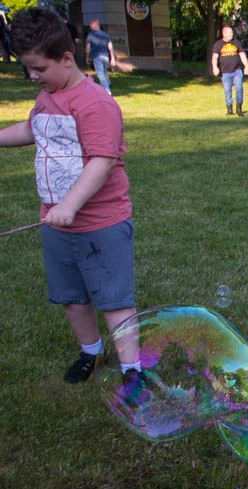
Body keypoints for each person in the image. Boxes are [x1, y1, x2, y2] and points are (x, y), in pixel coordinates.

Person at [0, 7, 140, 385]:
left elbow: (102, 160)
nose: (32, 76)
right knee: (72, 296)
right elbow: (34, 128)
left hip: (101, 223)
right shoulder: (48, 96)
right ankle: (90, 352)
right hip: (56, 222)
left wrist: (71, 205)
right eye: (27, 69)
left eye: (38, 68)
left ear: (66, 58)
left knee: (114, 300)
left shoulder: (94, 102)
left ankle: (132, 370)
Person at [211, 25, 248, 116]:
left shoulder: (236, 43)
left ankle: (239, 109)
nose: (232, 34)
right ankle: (229, 109)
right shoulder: (218, 44)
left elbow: (242, 55)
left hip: (237, 71)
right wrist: (215, 67)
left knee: (239, 88)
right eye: (230, 32)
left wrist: (246, 66)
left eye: (232, 32)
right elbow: (214, 57)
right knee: (227, 91)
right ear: (224, 33)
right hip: (225, 72)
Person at [85, 19, 115, 95]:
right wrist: (112, 58)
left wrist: (87, 57)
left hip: (97, 56)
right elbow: (110, 46)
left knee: (100, 74)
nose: (90, 25)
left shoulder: (91, 34)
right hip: (106, 56)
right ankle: (107, 86)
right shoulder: (106, 35)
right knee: (104, 73)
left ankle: (107, 91)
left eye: (91, 24)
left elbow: (87, 47)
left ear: (95, 25)